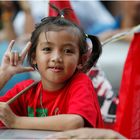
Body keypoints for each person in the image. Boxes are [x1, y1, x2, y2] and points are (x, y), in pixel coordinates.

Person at [0, 4, 103, 130]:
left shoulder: (80, 84)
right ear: (33, 57)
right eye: (47, 49)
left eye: (68, 51)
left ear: (81, 60)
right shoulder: (25, 91)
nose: (57, 58)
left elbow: (75, 122)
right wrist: (3, 75)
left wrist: (16, 122)